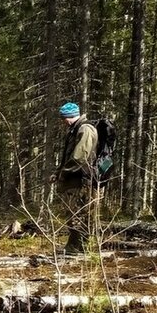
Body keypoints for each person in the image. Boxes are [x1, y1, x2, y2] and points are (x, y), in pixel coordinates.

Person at [55, 101, 100, 255]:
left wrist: (63, 173)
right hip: (75, 180)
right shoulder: (75, 130)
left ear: (69, 117)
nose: (63, 122)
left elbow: (80, 157)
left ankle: (77, 249)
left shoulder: (85, 129)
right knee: (74, 213)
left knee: (79, 214)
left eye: (64, 118)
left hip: (82, 180)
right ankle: (75, 247)